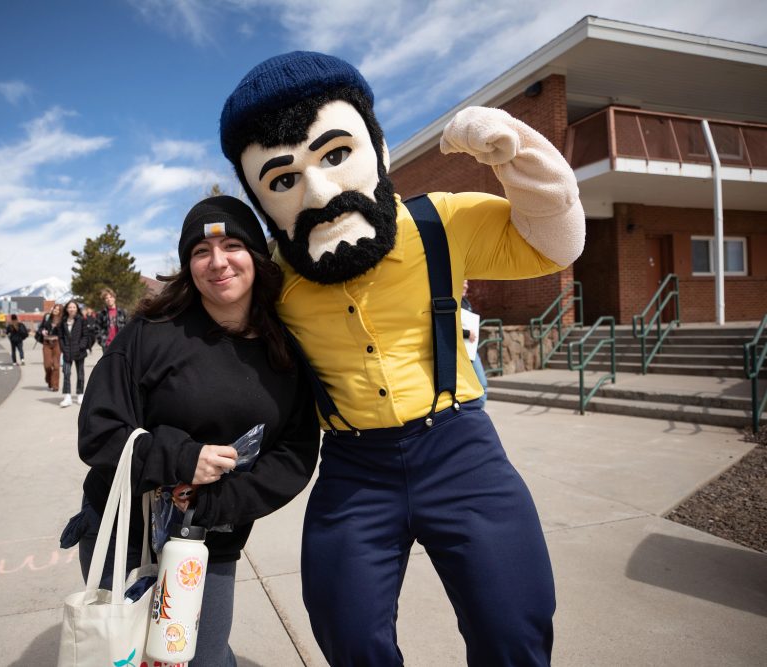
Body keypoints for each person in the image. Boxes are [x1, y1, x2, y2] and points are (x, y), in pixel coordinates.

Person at [219, 51, 584, 665]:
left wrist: (516, 152)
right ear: (262, 201)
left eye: (336, 155)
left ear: (379, 149)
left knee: (512, 626)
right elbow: (200, 345)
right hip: (354, 467)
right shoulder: (274, 279)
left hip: (460, 449)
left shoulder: (438, 223)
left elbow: (556, 242)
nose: (322, 191)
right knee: (346, 629)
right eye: (283, 180)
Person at [74, 195, 319, 666]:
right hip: (124, 532)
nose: (218, 262)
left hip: (211, 540)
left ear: (257, 257)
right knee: (121, 657)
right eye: (201, 252)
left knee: (202, 659)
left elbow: (295, 453)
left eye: (232, 245)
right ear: (188, 265)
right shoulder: (149, 333)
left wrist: (213, 502)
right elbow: (99, 432)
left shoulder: (285, 350)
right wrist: (182, 459)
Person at [461, 280, 489, 406]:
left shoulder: (466, 302)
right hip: (459, 353)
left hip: (472, 351)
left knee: (482, 384)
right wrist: (467, 333)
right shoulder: (452, 301)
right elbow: (447, 328)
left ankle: (479, 414)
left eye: (467, 283)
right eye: (464, 282)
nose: (466, 285)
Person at [58, 300, 91, 407]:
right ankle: (67, 396)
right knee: (66, 374)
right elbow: (61, 337)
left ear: (77, 309)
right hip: (67, 352)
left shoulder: (81, 320)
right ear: (66, 309)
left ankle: (80, 394)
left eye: (74, 307)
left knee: (80, 374)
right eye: (69, 307)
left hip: (79, 352)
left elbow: (85, 336)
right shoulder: (62, 321)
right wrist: (63, 348)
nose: (71, 309)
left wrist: (81, 346)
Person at [37, 303, 63, 392]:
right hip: (47, 343)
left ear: (61, 311)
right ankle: (49, 379)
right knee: (47, 365)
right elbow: (40, 328)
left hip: (57, 343)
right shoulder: (47, 317)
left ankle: (55, 385)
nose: (56, 310)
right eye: (55, 308)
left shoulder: (63, 320)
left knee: (56, 366)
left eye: (58, 309)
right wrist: (42, 331)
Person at [96, 287, 127, 353]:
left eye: (110, 297)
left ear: (114, 298)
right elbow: (97, 328)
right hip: (107, 344)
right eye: (106, 298)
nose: (109, 299)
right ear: (104, 300)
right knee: (108, 363)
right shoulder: (101, 313)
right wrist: (101, 341)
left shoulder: (122, 312)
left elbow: (128, 327)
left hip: (120, 343)